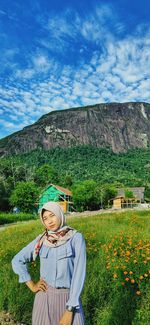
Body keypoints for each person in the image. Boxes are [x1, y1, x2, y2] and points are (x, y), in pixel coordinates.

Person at [11, 202, 86, 325]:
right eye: (45, 218)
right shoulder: (41, 240)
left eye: (52, 215)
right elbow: (17, 260)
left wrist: (70, 309)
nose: (50, 221)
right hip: (44, 298)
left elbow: (79, 274)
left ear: (60, 214)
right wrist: (32, 285)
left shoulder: (76, 238)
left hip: (69, 299)